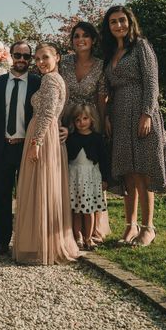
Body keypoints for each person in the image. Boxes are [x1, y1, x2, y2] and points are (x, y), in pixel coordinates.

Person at [101, 5, 166, 247]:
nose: (118, 25)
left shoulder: (140, 46)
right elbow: (108, 88)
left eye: (122, 20)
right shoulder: (110, 54)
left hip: (141, 112)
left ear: (129, 22)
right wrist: (107, 116)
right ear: (108, 27)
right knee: (127, 171)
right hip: (119, 114)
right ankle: (130, 225)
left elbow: (152, 82)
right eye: (113, 22)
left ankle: (148, 227)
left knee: (142, 170)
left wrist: (147, 113)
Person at [13, 42, 79, 265]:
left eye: (45, 58)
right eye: (38, 59)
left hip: (42, 136)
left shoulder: (51, 79)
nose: (40, 62)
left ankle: (41, 246)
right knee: (41, 187)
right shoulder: (52, 78)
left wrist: (36, 141)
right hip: (46, 133)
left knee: (40, 187)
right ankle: (39, 243)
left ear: (56, 57)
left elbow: (49, 111)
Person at [0, 40, 40, 256]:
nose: (22, 60)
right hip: (2, 147)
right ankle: (1, 242)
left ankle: (26, 242)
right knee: (2, 197)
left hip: (26, 148)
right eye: (18, 55)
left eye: (26, 56)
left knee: (27, 197)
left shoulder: (37, 82)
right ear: (11, 57)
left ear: (30, 59)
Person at [59, 21, 111, 243]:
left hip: (89, 119)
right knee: (70, 173)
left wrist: (103, 121)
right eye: (76, 36)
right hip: (66, 119)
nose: (80, 39)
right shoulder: (65, 62)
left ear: (93, 40)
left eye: (85, 36)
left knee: (92, 173)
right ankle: (69, 230)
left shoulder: (100, 65)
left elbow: (101, 97)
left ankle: (95, 230)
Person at [66, 104, 109, 250]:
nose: (81, 122)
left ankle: (88, 237)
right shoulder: (71, 138)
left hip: (91, 177)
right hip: (75, 177)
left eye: (85, 118)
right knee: (76, 210)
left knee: (89, 210)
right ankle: (77, 236)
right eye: (77, 120)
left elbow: (103, 159)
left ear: (92, 120)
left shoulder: (97, 138)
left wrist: (105, 179)